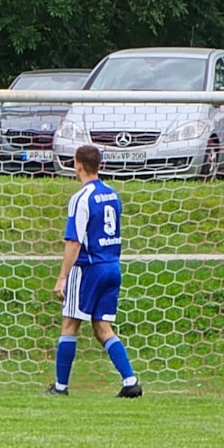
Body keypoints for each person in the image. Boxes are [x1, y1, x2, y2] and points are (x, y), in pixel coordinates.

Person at [47, 145, 142, 397]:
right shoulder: (112, 194)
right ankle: (130, 381)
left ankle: (60, 387)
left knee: (69, 324)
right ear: (99, 164)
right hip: (112, 266)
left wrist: (62, 277)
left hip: (88, 267)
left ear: (77, 164)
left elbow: (74, 241)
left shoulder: (81, 198)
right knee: (102, 327)